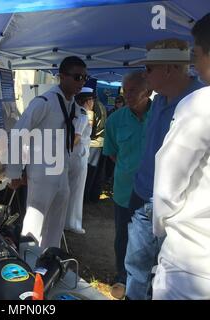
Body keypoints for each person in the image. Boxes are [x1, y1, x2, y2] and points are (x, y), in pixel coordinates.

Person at [125, 38, 205, 300]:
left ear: (169, 69)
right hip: (142, 198)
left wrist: (165, 214)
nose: (144, 75)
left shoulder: (198, 103)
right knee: (135, 268)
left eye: (148, 69)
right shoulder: (159, 101)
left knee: (164, 272)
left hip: (176, 213)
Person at [152, 13, 210, 300]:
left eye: (196, 54)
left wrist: (161, 227)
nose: (194, 63)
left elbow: (166, 189)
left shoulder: (200, 104)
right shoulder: (158, 103)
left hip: (192, 263)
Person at [6, 56, 87, 251]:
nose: (82, 82)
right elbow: (19, 133)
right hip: (42, 173)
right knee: (35, 222)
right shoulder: (44, 102)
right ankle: (28, 263)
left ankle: (50, 261)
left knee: (56, 225)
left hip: (62, 172)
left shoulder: (73, 106)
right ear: (61, 77)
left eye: (85, 77)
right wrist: (15, 172)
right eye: (77, 77)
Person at [103, 71, 152, 299]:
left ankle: (148, 281)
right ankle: (122, 277)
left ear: (148, 91)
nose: (127, 94)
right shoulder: (115, 120)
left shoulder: (162, 115)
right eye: (125, 90)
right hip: (125, 190)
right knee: (123, 235)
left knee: (151, 239)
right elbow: (112, 153)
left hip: (154, 193)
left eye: (133, 90)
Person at [65, 87, 93, 234]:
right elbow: (76, 138)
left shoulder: (74, 112)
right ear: (86, 100)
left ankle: (67, 221)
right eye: (92, 99)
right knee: (76, 190)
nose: (93, 102)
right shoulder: (82, 115)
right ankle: (73, 223)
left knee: (70, 189)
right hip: (78, 156)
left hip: (75, 155)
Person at [84, 94, 107, 203]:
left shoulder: (92, 106)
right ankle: (93, 197)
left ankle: (86, 198)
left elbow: (90, 128)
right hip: (101, 143)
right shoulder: (101, 105)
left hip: (93, 144)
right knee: (97, 173)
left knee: (89, 172)